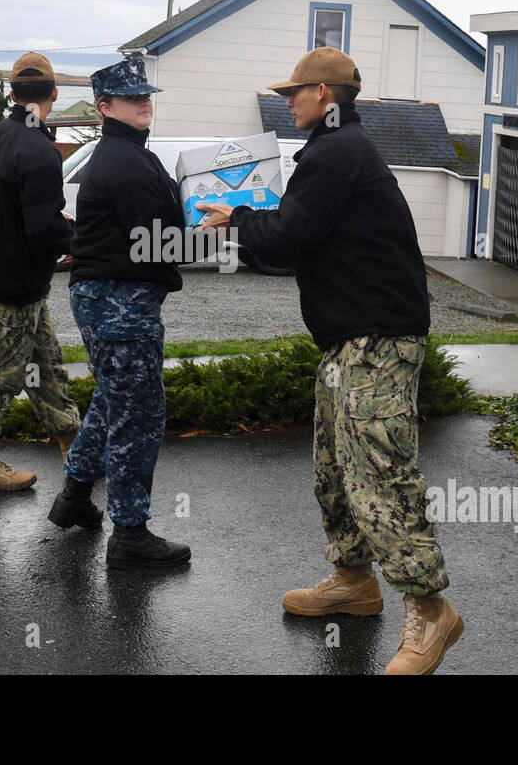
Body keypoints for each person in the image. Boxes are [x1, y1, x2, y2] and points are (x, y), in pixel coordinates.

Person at [197, 47, 460, 675]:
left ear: (324, 92)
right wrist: (247, 221)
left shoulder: (337, 152)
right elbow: (298, 238)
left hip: (377, 341)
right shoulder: (335, 151)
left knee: (379, 472)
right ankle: (353, 581)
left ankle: (430, 610)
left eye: (295, 92)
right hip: (346, 342)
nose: (287, 101)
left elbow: (289, 236)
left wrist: (238, 218)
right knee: (335, 470)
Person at [52, 56, 190, 569]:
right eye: (133, 98)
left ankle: (74, 495)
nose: (143, 103)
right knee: (140, 412)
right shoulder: (128, 162)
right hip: (120, 300)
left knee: (114, 401)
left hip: (106, 295)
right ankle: (130, 535)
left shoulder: (125, 154)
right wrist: (213, 234)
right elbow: (157, 243)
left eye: (146, 95)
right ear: (105, 107)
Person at [0, 53, 82, 493]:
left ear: (12, 94)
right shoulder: (40, 149)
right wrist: (80, 246)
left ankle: (74, 443)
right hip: (15, 280)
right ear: (53, 94)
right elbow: (42, 224)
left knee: (45, 364)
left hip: (2, 271)